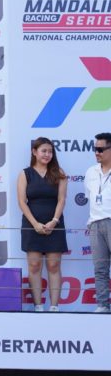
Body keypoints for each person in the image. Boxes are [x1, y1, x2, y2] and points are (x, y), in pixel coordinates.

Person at [17, 137, 67, 312]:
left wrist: (54, 221)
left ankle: (54, 307)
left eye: (50, 151)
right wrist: (35, 224)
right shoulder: (25, 174)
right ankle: (38, 306)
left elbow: (61, 200)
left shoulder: (59, 173)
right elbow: (22, 201)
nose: (47, 154)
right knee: (34, 266)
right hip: (32, 225)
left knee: (54, 266)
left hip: (55, 225)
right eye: (44, 151)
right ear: (34, 152)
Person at [85, 132, 111, 313]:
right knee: (100, 268)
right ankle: (102, 305)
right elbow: (90, 197)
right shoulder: (90, 172)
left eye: (101, 149)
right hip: (95, 223)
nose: (97, 153)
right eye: (95, 149)